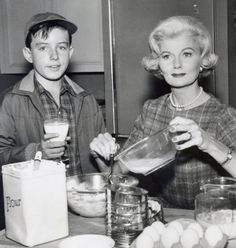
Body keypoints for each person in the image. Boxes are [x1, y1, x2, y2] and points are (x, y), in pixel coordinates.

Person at [90, 15, 236, 209]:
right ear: (158, 63)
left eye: (186, 54)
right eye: (167, 56)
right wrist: (102, 157)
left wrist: (209, 143)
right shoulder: (152, 111)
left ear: (202, 60)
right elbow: (117, 175)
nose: (176, 64)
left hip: (214, 219)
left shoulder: (221, 115)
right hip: (166, 218)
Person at [0, 12, 105, 176]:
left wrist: (106, 151)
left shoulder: (87, 100)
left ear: (70, 52)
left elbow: (103, 160)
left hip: (82, 197)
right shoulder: (11, 101)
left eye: (61, 47)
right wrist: (36, 151)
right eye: (43, 47)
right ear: (29, 54)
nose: (54, 56)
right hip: (37, 198)